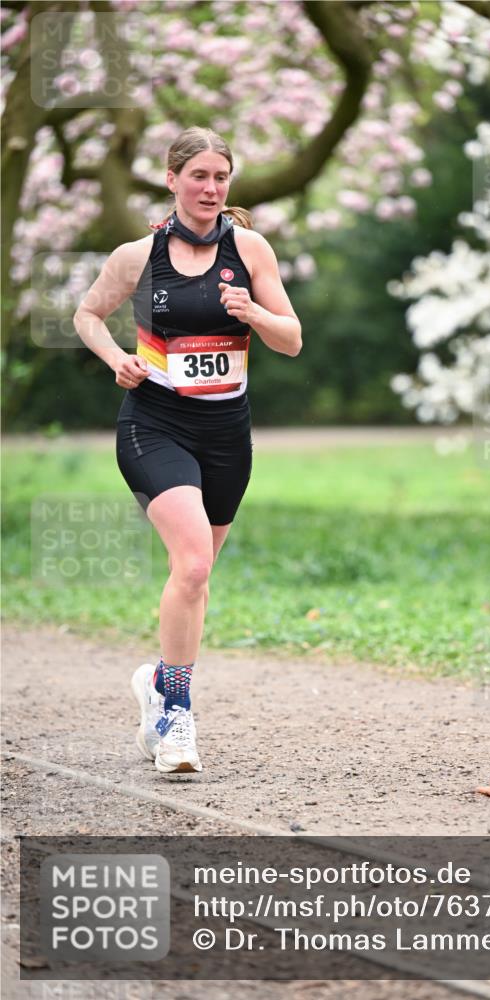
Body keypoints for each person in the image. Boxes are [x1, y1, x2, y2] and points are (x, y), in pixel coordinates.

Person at [74, 126, 301, 775]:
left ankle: (155, 684)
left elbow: (292, 339)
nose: (210, 188)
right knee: (194, 564)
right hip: (155, 424)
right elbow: (88, 314)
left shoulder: (250, 249)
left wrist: (252, 313)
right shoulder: (137, 256)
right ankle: (176, 714)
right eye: (197, 175)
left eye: (220, 177)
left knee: (195, 580)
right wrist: (117, 357)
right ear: (171, 179)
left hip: (227, 433)